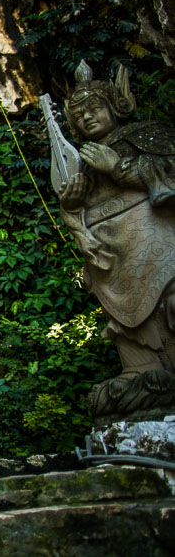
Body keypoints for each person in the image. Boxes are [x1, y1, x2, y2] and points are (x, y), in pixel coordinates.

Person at [57, 60, 175, 417]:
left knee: (169, 302)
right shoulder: (80, 160)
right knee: (123, 325)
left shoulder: (148, 136)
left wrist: (119, 168)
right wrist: (72, 204)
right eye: (79, 116)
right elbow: (74, 212)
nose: (87, 119)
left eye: (94, 109)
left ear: (117, 106)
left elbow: (169, 174)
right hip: (111, 254)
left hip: (153, 236)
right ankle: (142, 370)